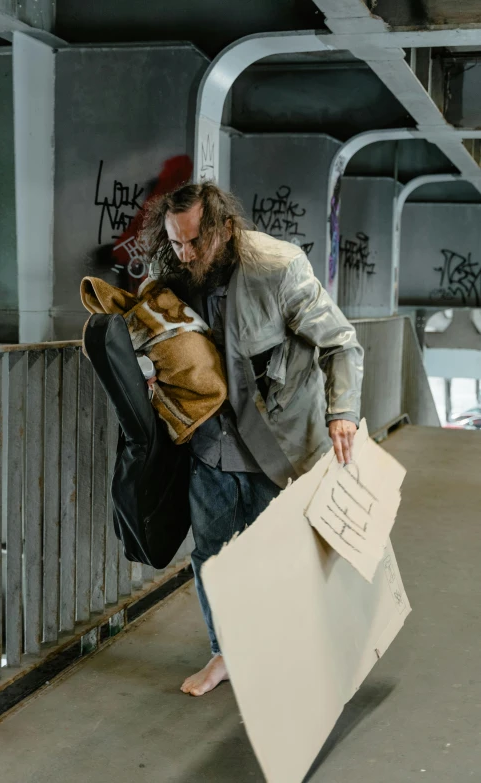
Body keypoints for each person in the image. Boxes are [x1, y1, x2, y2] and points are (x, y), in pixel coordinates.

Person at [141, 182, 364, 697]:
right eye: (175, 243)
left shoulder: (278, 267)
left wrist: (343, 413)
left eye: (195, 241)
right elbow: (155, 337)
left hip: (278, 442)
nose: (186, 253)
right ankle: (226, 655)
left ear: (225, 226)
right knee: (213, 556)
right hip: (211, 444)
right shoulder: (171, 277)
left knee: (289, 556)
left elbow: (341, 343)